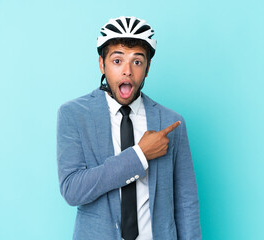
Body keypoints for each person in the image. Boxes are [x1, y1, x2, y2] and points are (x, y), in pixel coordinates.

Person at [57, 16, 201, 240]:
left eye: (137, 61)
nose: (127, 71)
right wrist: (140, 155)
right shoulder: (74, 114)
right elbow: (72, 190)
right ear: (101, 64)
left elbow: (186, 203)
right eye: (117, 61)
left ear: (148, 67)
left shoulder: (171, 122)